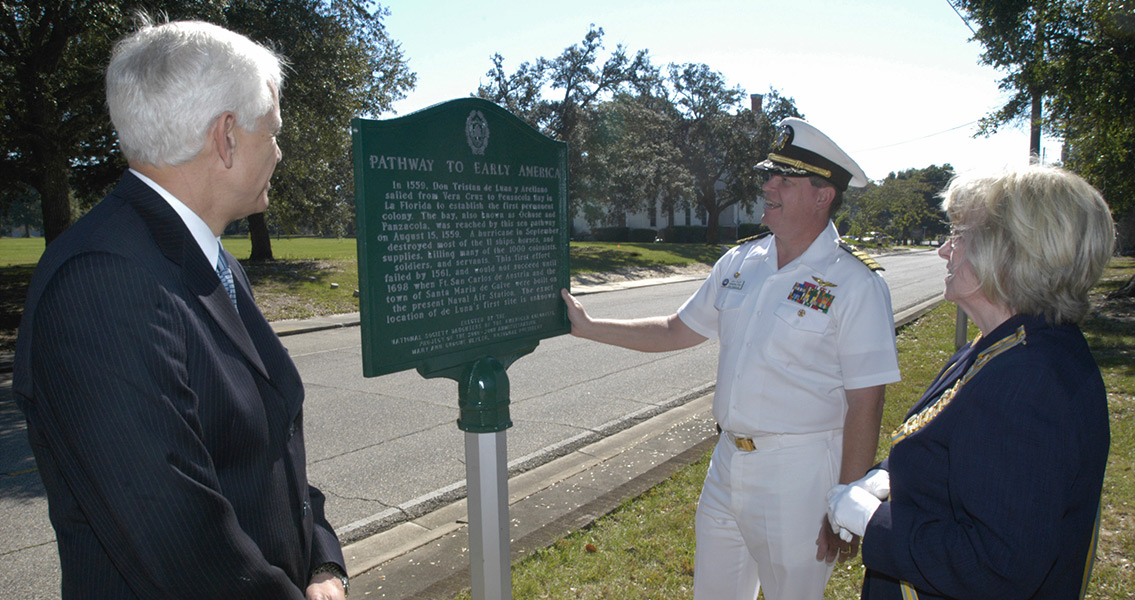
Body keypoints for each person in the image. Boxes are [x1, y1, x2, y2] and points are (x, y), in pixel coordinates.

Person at [12, 19, 348, 600]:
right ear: (226, 137)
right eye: (272, 131)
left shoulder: (207, 259)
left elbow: (268, 450)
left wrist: (322, 561)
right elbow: (181, 547)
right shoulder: (102, 281)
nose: (280, 150)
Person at [561, 117, 901, 599]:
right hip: (727, 463)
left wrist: (845, 500)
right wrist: (590, 327)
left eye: (785, 180)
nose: (768, 186)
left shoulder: (856, 284)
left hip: (799, 473)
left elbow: (866, 401)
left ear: (823, 196)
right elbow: (677, 329)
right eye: (769, 175)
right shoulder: (742, 262)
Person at [827, 165, 1115, 599]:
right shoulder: (1007, 346)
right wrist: (889, 477)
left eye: (960, 235)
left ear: (1008, 252)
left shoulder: (1030, 381)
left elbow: (997, 566)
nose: (945, 250)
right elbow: (957, 451)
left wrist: (872, 520)